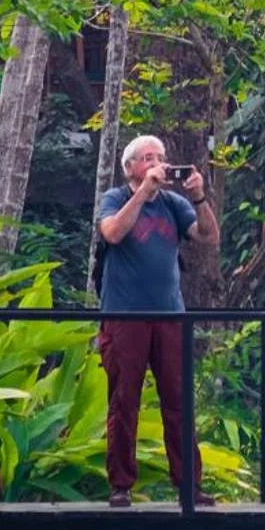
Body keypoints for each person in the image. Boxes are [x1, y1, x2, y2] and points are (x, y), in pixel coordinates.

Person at [96, 134, 221, 508]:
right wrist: (143, 193)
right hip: (124, 317)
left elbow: (207, 237)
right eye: (148, 158)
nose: (157, 163)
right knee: (124, 401)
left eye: (161, 157)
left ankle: (189, 485)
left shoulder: (174, 203)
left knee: (179, 400)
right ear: (130, 167)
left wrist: (199, 197)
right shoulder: (116, 198)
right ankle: (120, 485)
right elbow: (113, 233)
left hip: (170, 315)